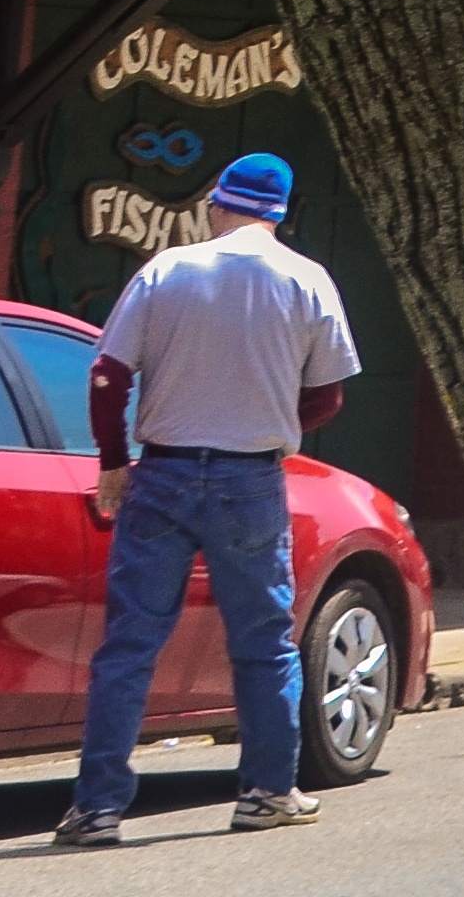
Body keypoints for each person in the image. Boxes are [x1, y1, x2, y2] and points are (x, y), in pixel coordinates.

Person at [55, 152, 359, 849]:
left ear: (219, 206)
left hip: (160, 474)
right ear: (278, 215)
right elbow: (330, 395)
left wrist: (112, 462)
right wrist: (273, 411)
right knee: (262, 643)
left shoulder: (167, 270)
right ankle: (266, 791)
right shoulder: (308, 280)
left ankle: (96, 808)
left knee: (130, 645)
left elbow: (107, 375)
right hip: (250, 478)